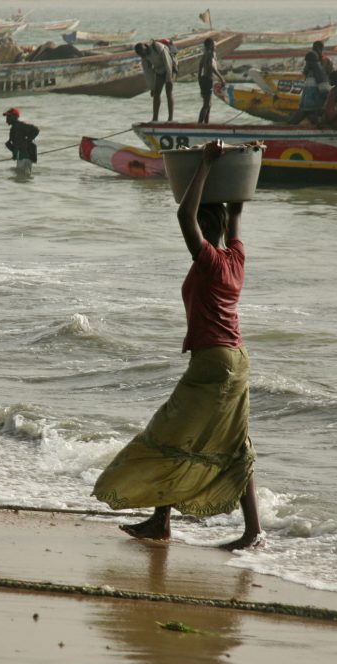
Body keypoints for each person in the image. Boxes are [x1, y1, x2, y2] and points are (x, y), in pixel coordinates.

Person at [92, 140, 264, 552]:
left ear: (204, 232)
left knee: (169, 431)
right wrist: (243, 162)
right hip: (237, 360)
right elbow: (237, 210)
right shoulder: (235, 257)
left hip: (213, 361)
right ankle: (241, 529)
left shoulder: (207, 261)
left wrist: (204, 164)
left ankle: (166, 521)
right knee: (232, 442)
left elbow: (184, 213)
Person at [135, 40, 175, 122]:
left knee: (168, 92)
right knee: (156, 94)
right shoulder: (144, 56)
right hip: (159, 71)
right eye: (141, 55)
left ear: (145, 48)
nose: (143, 55)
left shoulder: (158, 47)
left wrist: (169, 79)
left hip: (170, 68)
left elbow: (168, 62)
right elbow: (148, 72)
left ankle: (170, 119)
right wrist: (152, 88)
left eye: (143, 53)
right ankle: (155, 119)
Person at [288, 50, 329, 126]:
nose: (306, 64)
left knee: (292, 123)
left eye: (307, 62)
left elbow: (325, 91)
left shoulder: (318, 72)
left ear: (311, 62)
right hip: (307, 107)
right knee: (313, 124)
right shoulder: (312, 72)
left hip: (313, 107)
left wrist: (321, 107)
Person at [197, 37, 225, 123]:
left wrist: (199, 79)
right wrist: (221, 78)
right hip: (208, 79)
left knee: (208, 104)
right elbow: (211, 66)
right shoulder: (211, 53)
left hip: (203, 79)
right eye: (214, 44)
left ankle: (205, 124)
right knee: (207, 104)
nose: (215, 45)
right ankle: (200, 125)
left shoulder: (205, 54)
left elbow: (200, 66)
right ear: (210, 45)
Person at [3, 107, 39, 175]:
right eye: (7, 117)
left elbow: (36, 130)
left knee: (23, 177)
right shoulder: (14, 128)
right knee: (21, 177)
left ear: (15, 117)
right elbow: (17, 144)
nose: (7, 119)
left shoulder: (21, 126)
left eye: (9, 116)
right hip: (21, 157)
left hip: (26, 157)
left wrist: (27, 141)